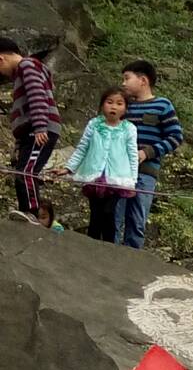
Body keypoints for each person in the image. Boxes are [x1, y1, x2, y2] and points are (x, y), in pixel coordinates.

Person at [116, 60, 183, 250]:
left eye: (127, 78)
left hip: (146, 172)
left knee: (137, 221)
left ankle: (133, 263)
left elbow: (176, 137)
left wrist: (147, 153)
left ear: (143, 80)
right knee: (114, 216)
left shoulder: (162, 105)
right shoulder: (124, 106)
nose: (123, 83)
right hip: (119, 171)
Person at [65, 86, 142, 242]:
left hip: (117, 179)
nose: (113, 106)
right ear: (102, 105)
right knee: (95, 213)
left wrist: (133, 181)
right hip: (94, 177)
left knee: (109, 212)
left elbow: (133, 156)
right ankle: (91, 245)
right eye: (109, 102)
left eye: (119, 103)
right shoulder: (94, 124)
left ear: (125, 108)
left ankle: (109, 246)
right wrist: (69, 168)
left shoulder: (129, 129)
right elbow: (82, 148)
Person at [0, 36, 62, 222]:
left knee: (26, 172)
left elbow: (37, 96)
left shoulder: (27, 66)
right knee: (22, 171)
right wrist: (19, 145)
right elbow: (23, 113)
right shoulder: (24, 72)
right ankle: (25, 211)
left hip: (39, 130)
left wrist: (40, 126)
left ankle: (32, 213)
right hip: (32, 131)